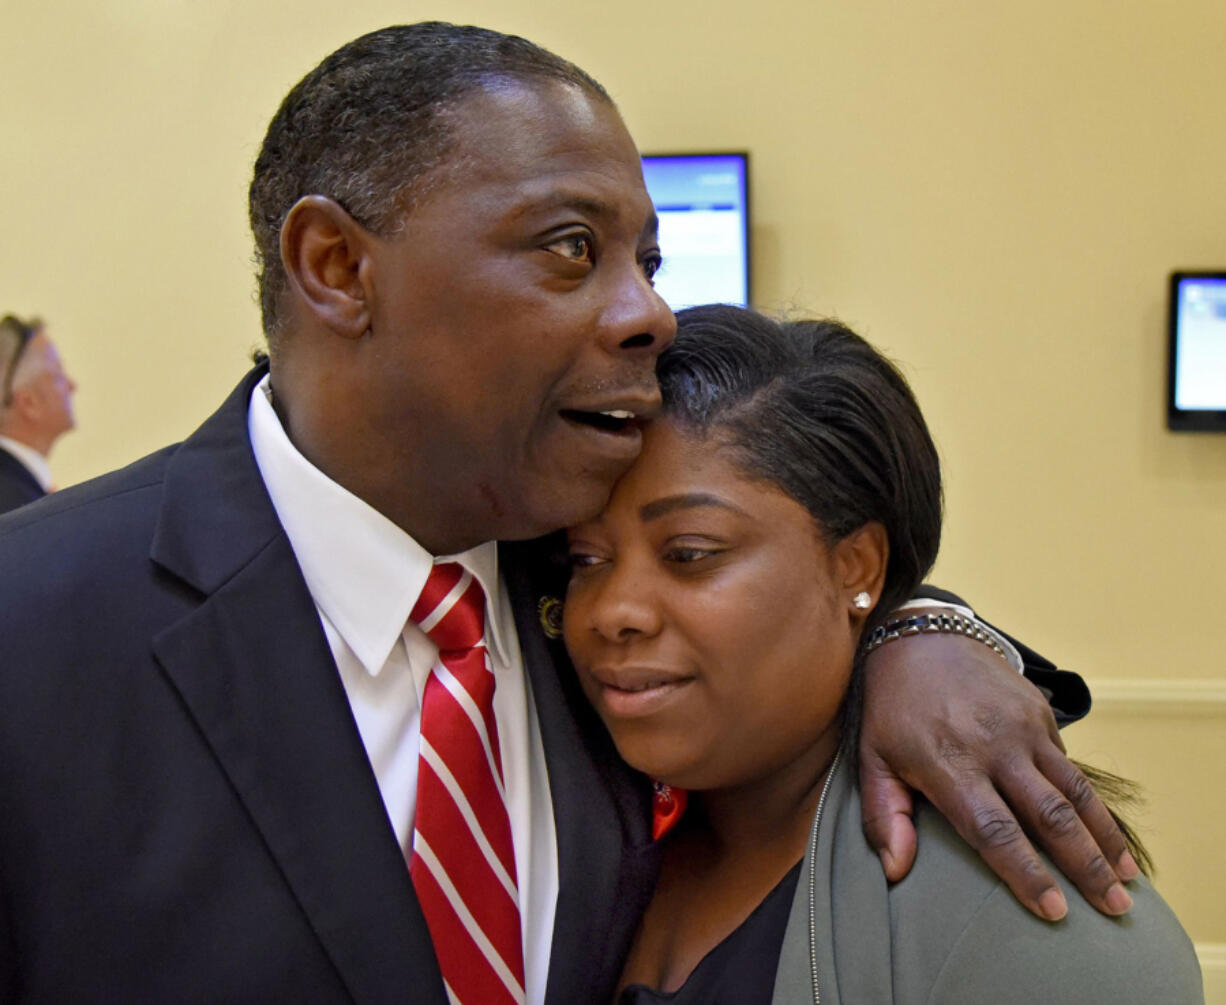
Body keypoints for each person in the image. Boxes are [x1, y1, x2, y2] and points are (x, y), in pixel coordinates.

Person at [0, 24, 1135, 1005]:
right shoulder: (34, 626)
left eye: (646, 260)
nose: (648, 311)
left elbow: (783, 587)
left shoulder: (574, 593)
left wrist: (916, 629)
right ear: (338, 266)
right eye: (570, 249)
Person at [563, 304, 1203, 1004]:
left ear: (857, 567)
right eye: (584, 559)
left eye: (689, 553)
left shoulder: (1015, 919)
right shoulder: (605, 814)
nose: (612, 611)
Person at [0, 314, 76, 513]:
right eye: (58, 376)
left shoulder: (20, 488)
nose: (72, 386)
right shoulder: (16, 506)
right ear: (29, 403)